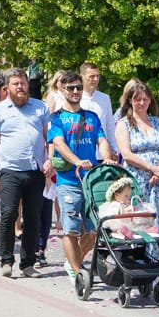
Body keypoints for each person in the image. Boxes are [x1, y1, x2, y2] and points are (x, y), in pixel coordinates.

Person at [0, 67, 52, 279]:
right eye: (16, 84)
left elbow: (50, 137)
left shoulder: (40, 107)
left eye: (23, 83)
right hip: (10, 171)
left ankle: (28, 263)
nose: (21, 87)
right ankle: (6, 260)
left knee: (32, 218)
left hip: (35, 171)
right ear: (7, 87)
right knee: (9, 214)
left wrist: (50, 159)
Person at [49, 71, 115, 286]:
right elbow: (58, 143)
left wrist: (106, 158)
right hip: (68, 181)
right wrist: (77, 160)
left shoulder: (91, 116)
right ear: (62, 90)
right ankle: (78, 271)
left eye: (78, 87)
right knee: (71, 228)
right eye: (70, 88)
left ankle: (72, 262)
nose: (75, 91)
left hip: (91, 180)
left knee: (96, 228)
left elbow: (102, 140)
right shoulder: (56, 118)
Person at [115, 79, 159, 269]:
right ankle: (149, 264)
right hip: (140, 178)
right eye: (137, 99)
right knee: (146, 224)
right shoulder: (124, 124)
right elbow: (126, 154)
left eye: (145, 99)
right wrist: (151, 168)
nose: (142, 103)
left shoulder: (157, 122)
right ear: (130, 101)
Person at [79, 62, 119, 159]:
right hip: (81, 153)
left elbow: (109, 125)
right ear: (82, 77)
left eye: (97, 76)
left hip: (102, 154)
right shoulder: (74, 98)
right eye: (92, 76)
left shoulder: (104, 98)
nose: (95, 79)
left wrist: (115, 149)